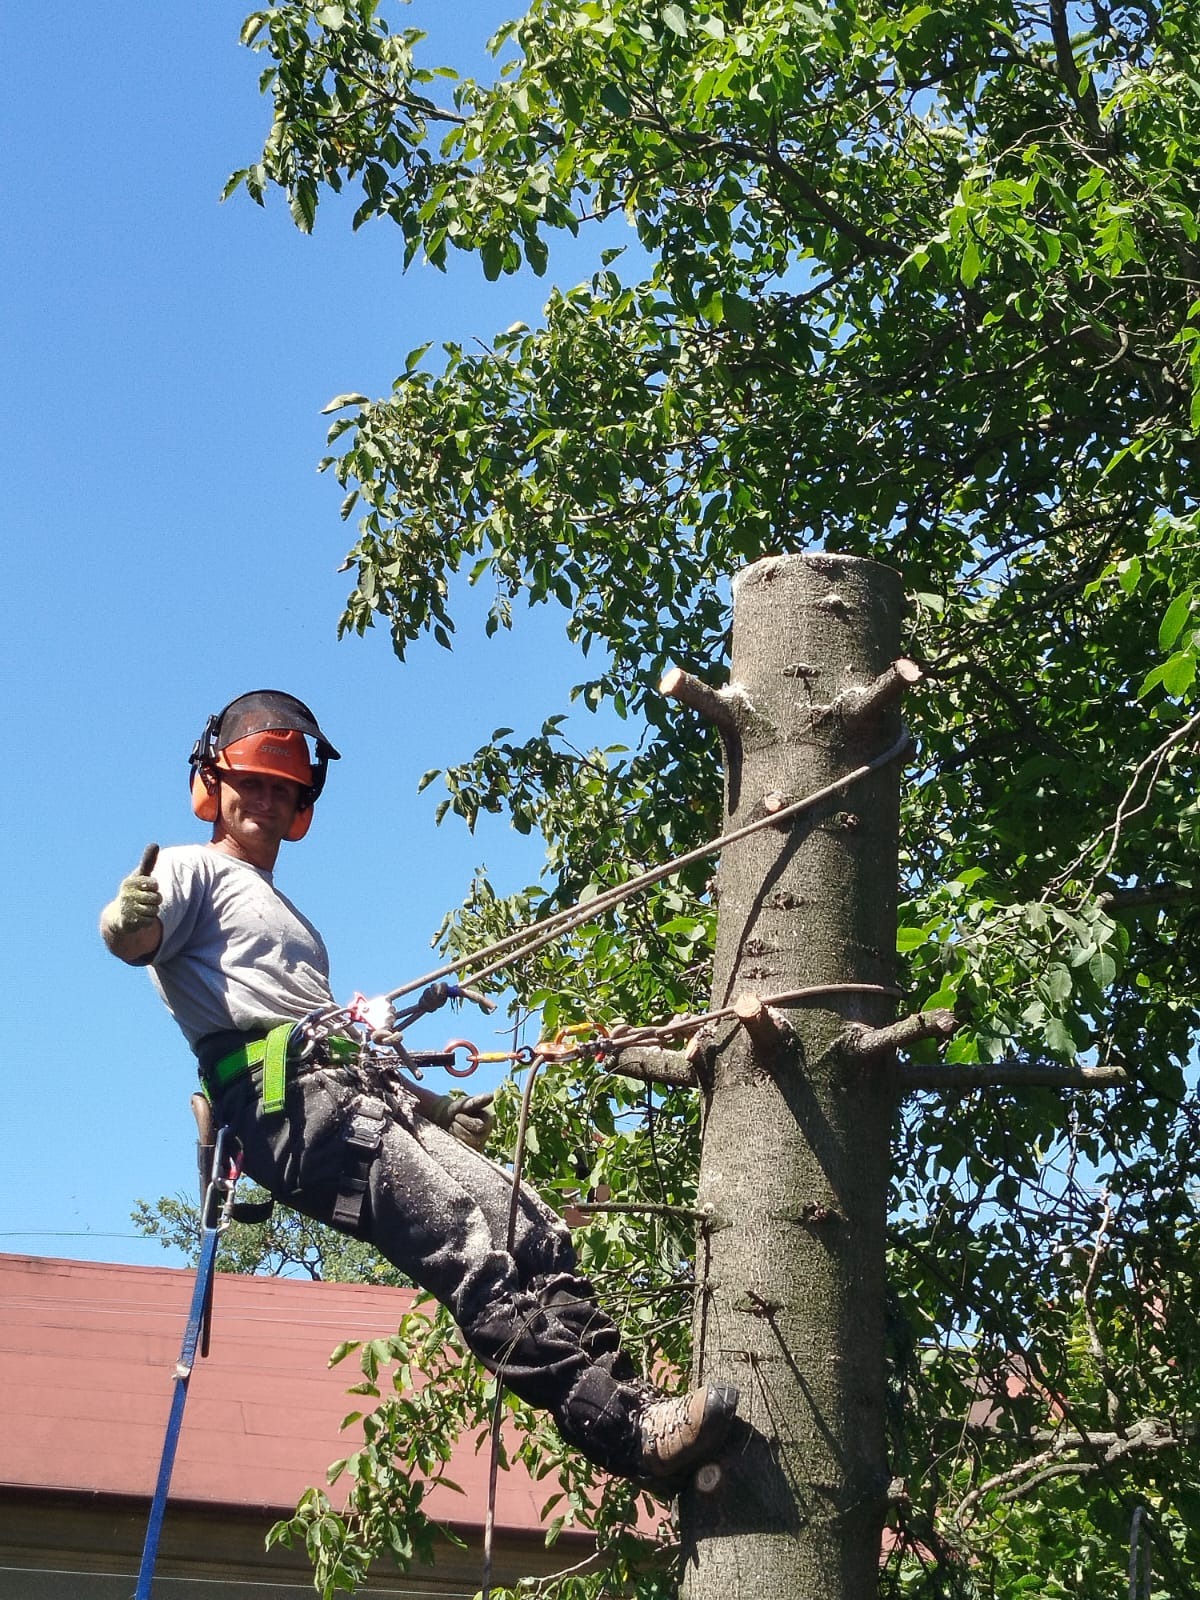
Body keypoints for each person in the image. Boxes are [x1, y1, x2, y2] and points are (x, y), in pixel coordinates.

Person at [100, 689, 737, 1482]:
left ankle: (636, 1402)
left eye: (280, 789)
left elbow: (337, 1040)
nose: (264, 799)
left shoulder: (287, 913)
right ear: (213, 788)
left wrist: (429, 1104)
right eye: (251, 783)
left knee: (528, 1223)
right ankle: (622, 1435)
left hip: (351, 1091)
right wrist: (126, 923)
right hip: (289, 1106)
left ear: (300, 805)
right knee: (466, 1243)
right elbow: (137, 937)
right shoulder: (193, 870)